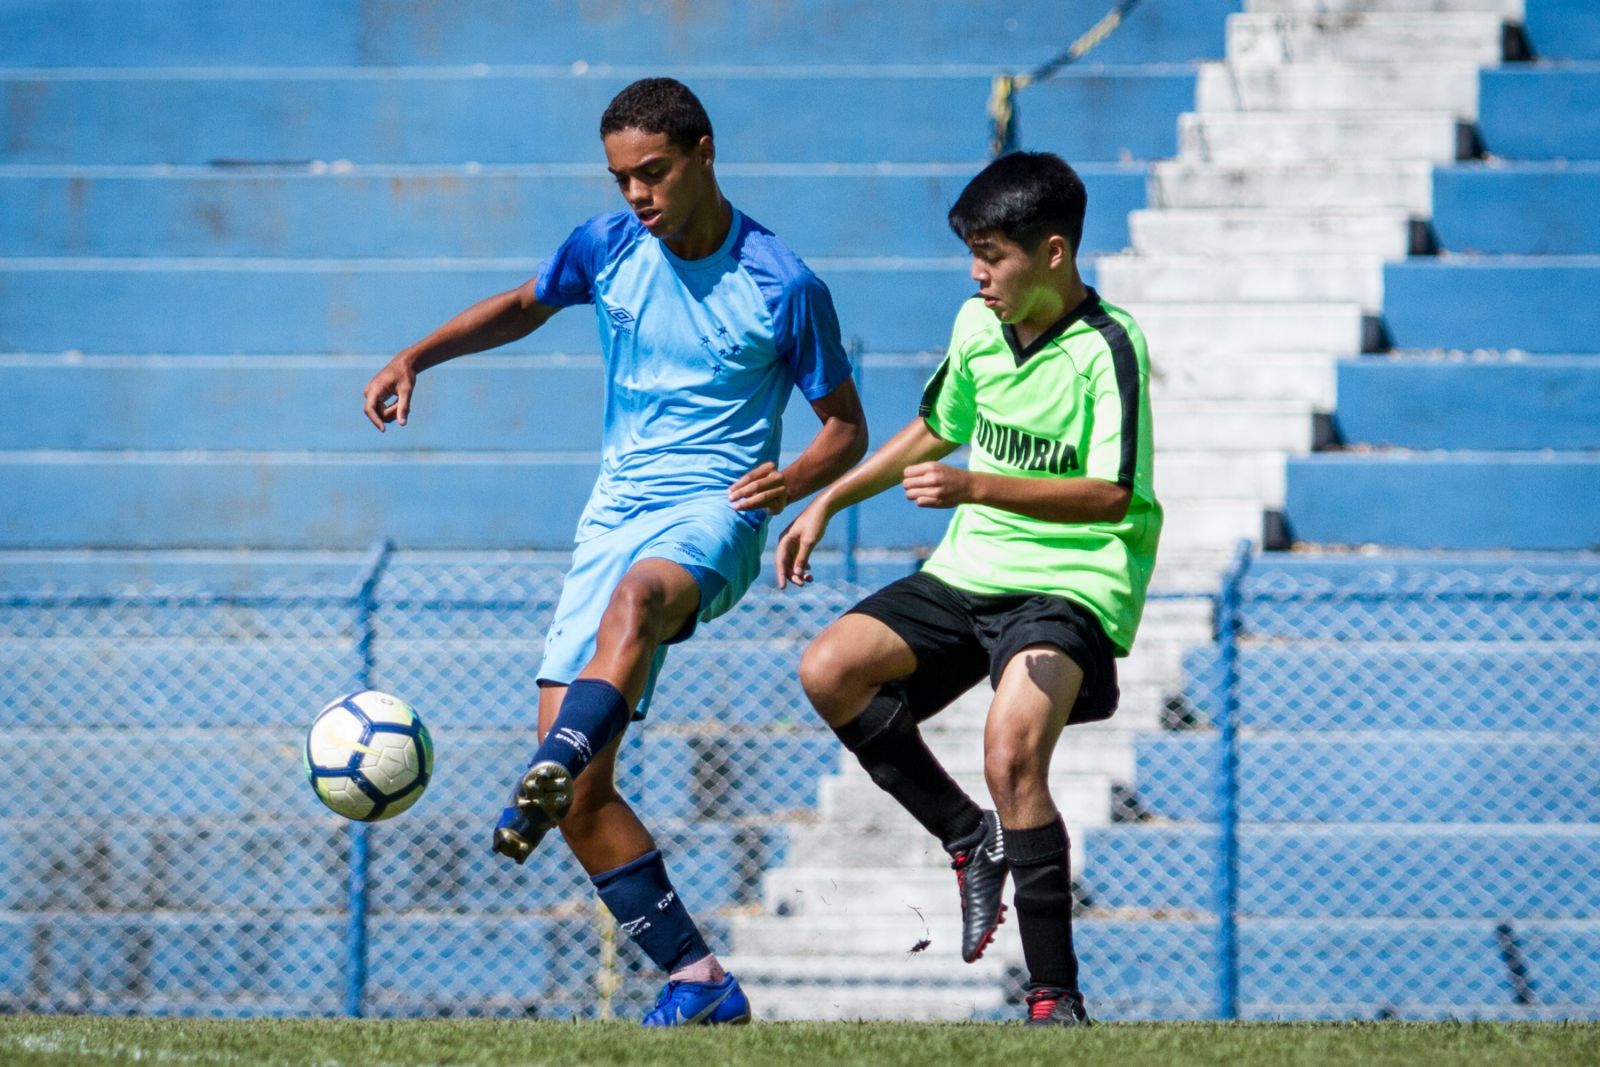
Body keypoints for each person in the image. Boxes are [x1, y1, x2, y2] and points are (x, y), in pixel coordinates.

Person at [360, 77, 867, 1027]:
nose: (637, 194)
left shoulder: (784, 283)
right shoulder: (608, 245)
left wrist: (792, 481)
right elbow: (523, 303)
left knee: (636, 605)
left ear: (704, 153)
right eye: (622, 176)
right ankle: (698, 979)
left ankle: (548, 760)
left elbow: (845, 426)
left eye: (654, 172)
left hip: (715, 510)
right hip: (612, 514)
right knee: (583, 796)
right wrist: (415, 356)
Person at [773, 151, 1161, 1026]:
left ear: (1054, 254)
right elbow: (936, 429)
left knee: (1011, 747)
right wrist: (830, 496)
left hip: (1070, 582)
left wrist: (977, 485)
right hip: (968, 571)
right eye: (972, 255)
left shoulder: (1110, 346)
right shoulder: (976, 325)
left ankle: (1055, 998)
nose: (979, 274)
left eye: (995, 255)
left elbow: (1110, 495)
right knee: (831, 666)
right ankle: (966, 836)